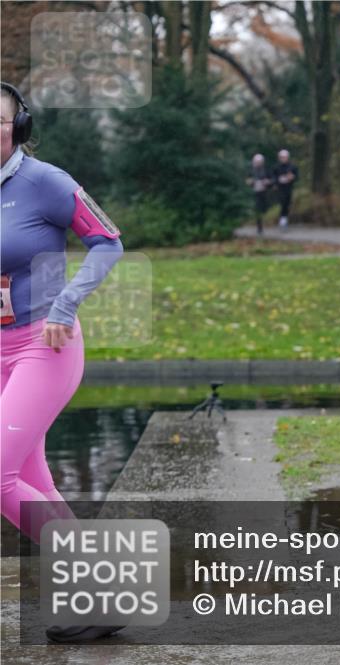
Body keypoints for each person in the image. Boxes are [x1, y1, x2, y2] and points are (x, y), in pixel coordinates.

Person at [0, 82, 124, 642]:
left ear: (19, 127)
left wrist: (66, 302)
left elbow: (109, 242)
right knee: (33, 481)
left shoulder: (45, 181)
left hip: (44, 344)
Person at [272, 148, 298, 229]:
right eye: (281, 157)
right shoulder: (276, 167)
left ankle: (284, 219)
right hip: (280, 188)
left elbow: (296, 176)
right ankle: (282, 220)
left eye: (284, 157)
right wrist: (276, 181)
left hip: (288, 188)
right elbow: (273, 177)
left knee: (287, 203)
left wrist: (292, 177)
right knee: (282, 202)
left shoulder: (292, 167)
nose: (283, 159)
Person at [246, 153, 271, 235]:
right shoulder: (251, 170)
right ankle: (259, 227)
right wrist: (251, 182)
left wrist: (267, 182)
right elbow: (247, 180)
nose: (258, 163)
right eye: (256, 161)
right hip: (254, 193)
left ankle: (266, 224)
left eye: (259, 161)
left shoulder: (266, 170)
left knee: (265, 209)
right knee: (257, 209)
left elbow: (272, 179)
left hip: (265, 192)